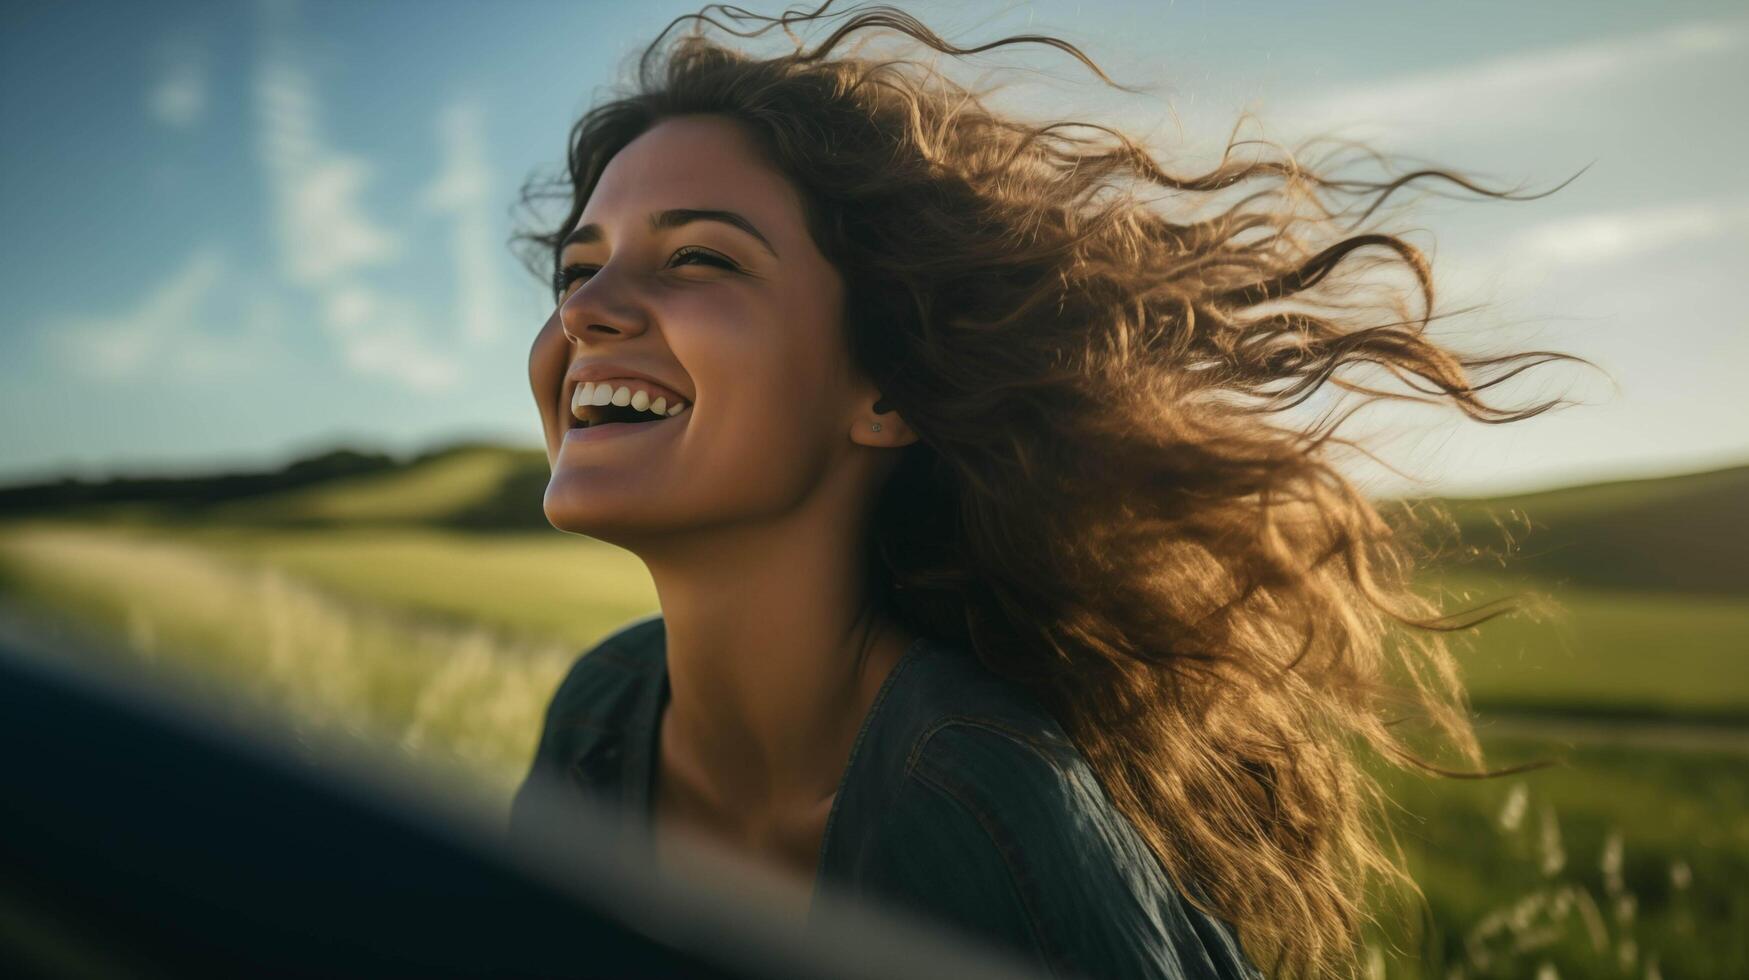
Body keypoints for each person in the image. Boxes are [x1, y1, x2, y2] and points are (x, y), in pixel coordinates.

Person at [509, 3, 1594, 977]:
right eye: (575, 269)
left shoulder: (982, 803)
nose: (588, 310)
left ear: (886, 388)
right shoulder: (601, 714)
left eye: (700, 258)